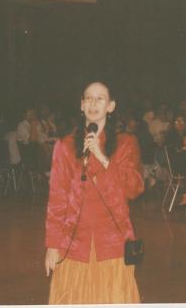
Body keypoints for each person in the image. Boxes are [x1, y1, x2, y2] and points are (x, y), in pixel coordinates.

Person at [45, 82, 144, 304]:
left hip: (114, 242)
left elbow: (135, 188)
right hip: (73, 243)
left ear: (111, 106)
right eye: (88, 98)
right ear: (81, 105)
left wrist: (103, 158)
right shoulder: (64, 146)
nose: (93, 103)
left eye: (100, 98)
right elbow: (57, 199)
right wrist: (52, 244)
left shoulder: (126, 143)